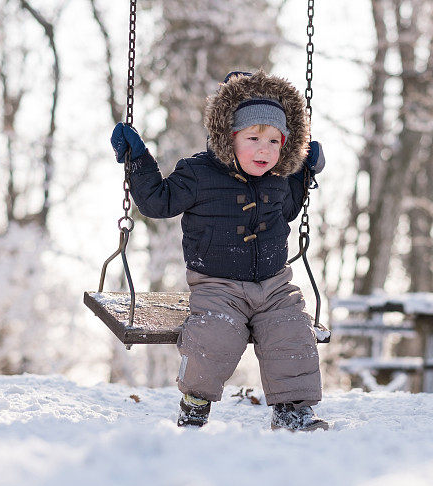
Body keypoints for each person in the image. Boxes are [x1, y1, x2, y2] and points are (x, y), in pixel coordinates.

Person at [110, 70, 328, 431]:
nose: (264, 149)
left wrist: (304, 175)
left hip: (275, 284)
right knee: (214, 335)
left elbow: (287, 211)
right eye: (254, 138)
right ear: (230, 137)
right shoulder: (199, 173)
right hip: (217, 285)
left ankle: (293, 410)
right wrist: (138, 160)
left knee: (292, 332)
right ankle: (195, 401)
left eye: (275, 141)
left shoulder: (279, 178)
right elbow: (157, 202)